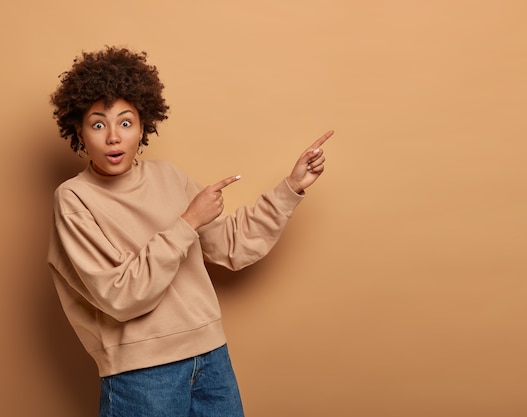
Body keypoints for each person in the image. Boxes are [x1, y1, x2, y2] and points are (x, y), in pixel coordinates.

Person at [47, 46, 333, 417]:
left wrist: (291, 187)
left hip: (211, 357)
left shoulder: (168, 176)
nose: (114, 137)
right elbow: (121, 296)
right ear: (79, 131)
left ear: (143, 126)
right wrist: (186, 223)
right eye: (99, 123)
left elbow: (232, 244)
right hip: (142, 374)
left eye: (126, 122)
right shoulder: (74, 198)